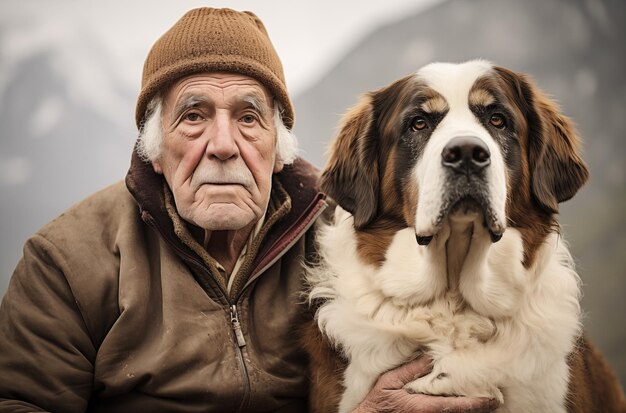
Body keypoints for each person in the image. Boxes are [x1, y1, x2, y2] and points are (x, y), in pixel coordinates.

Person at [0, 7, 623, 413]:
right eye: (192, 116)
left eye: (249, 117)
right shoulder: (64, 263)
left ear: (278, 144)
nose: (223, 144)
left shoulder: (337, 232)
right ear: (153, 147)